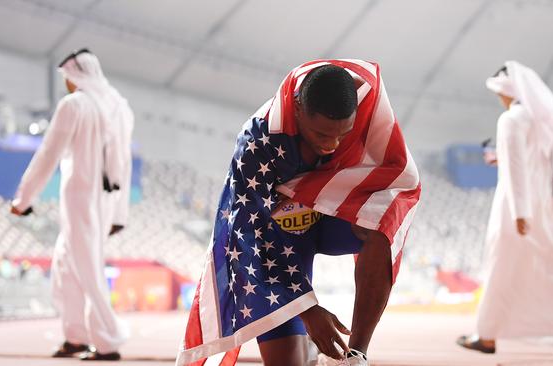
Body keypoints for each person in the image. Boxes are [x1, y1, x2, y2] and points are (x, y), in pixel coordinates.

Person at [176, 60, 420, 366]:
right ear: (297, 108)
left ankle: (355, 356)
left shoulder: (369, 116)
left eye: (341, 135)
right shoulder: (257, 143)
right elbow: (246, 240)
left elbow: (401, 182)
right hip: (278, 245)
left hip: (330, 222)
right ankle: (307, 352)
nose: (332, 145)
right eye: (320, 134)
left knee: (384, 224)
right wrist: (306, 308)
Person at [457, 61, 553, 355]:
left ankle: (488, 335)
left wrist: (520, 213)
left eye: (500, 95)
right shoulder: (546, 119)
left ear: (509, 92)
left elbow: (517, 169)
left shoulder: (511, 119)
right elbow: (545, 164)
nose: (501, 100)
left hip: (519, 206)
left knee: (503, 266)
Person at [10, 48, 134, 361]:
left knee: (86, 268)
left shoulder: (75, 104)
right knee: (65, 267)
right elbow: (125, 162)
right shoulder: (118, 105)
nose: (66, 83)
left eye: (67, 77)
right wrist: (119, 211)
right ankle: (75, 336)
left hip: (81, 197)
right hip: (105, 201)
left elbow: (48, 154)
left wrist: (23, 199)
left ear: (75, 75)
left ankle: (108, 342)